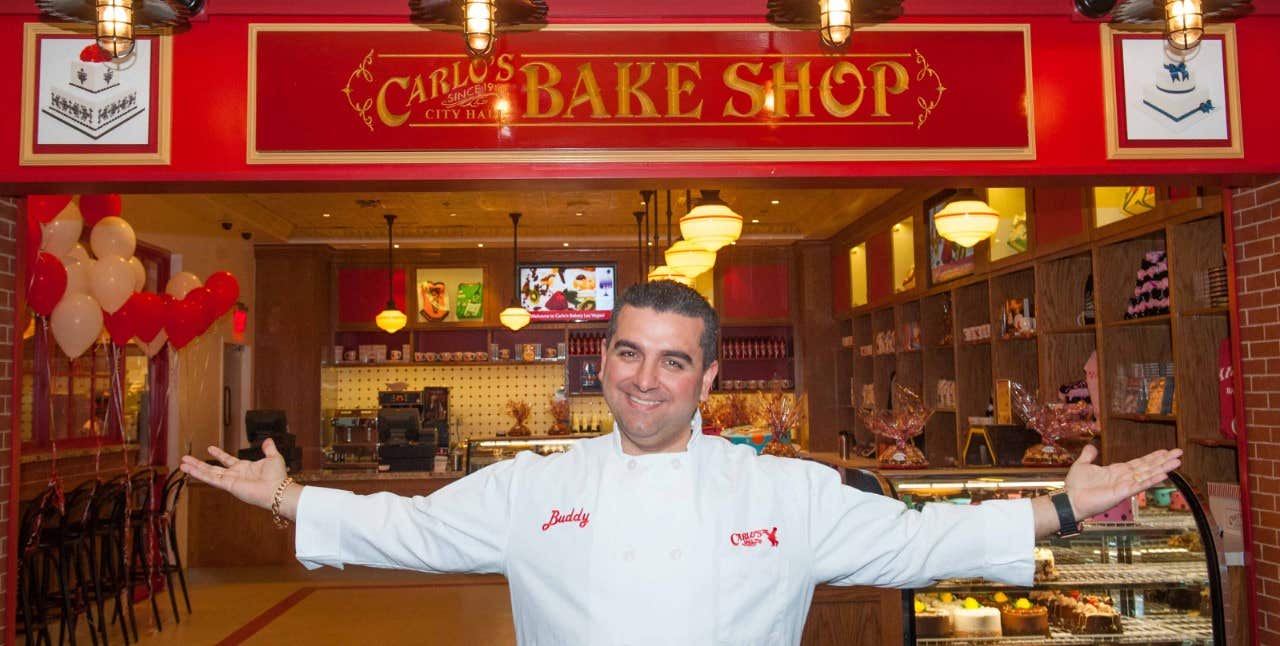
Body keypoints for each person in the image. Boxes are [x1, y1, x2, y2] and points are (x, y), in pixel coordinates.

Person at [182, 281, 1181, 645]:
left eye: (671, 361)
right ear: (603, 363)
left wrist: (1060, 506)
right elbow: (406, 527)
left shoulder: (784, 490)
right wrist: (287, 494)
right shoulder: (537, 486)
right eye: (628, 354)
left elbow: (920, 544)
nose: (645, 379)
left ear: (706, 377)